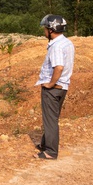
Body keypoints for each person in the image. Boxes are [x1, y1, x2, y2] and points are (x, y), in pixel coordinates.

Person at [34, 14, 74, 160]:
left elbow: (59, 67)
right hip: (62, 86)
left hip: (54, 88)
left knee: (50, 119)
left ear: (51, 30)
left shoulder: (56, 46)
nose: (44, 31)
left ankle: (50, 152)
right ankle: (46, 144)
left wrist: (50, 84)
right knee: (52, 117)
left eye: (45, 28)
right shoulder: (67, 43)